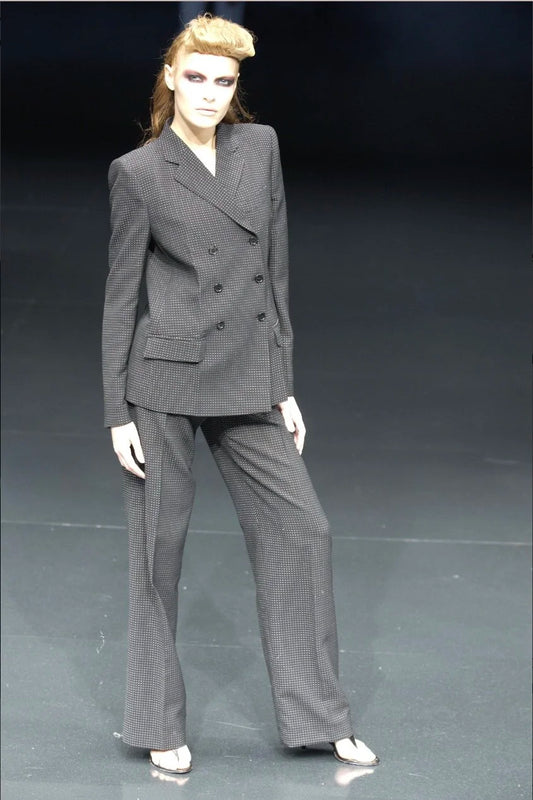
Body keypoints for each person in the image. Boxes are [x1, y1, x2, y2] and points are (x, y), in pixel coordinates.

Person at [102, 12, 379, 775]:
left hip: (246, 375)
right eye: (194, 77)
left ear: (235, 89)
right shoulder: (138, 173)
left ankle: (319, 717)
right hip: (164, 381)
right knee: (156, 554)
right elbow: (121, 296)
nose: (208, 93)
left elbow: (273, 272)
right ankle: (157, 721)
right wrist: (115, 411)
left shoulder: (260, 149)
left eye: (222, 82)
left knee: (302, 531)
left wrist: (281, 384)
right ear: (170, 77)